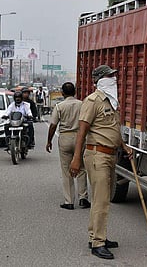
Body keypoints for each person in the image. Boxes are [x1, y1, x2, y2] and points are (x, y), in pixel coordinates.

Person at [70, 65, 132, 260]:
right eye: (109, 76)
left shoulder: (111, 102)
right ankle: (98, 242)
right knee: (101, 200)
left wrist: (124, 145)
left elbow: (112, 128)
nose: (114, 78)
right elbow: (82, 131)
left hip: (110, 155)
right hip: (97, 155)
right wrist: (76, 158)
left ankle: (97, 236)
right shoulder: (92, 101)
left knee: (101, 199)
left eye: (114, 75)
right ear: (99, 80)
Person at [46, 82, 90, 210]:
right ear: (75, 92)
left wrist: (49, 141)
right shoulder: (82, 105)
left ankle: (69, 201)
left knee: (66, 171)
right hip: (80, 138)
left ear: (62, 93)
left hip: (65, 138)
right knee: (81, 168)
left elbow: (53, 125)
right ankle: (83, 198)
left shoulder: (59, 106)